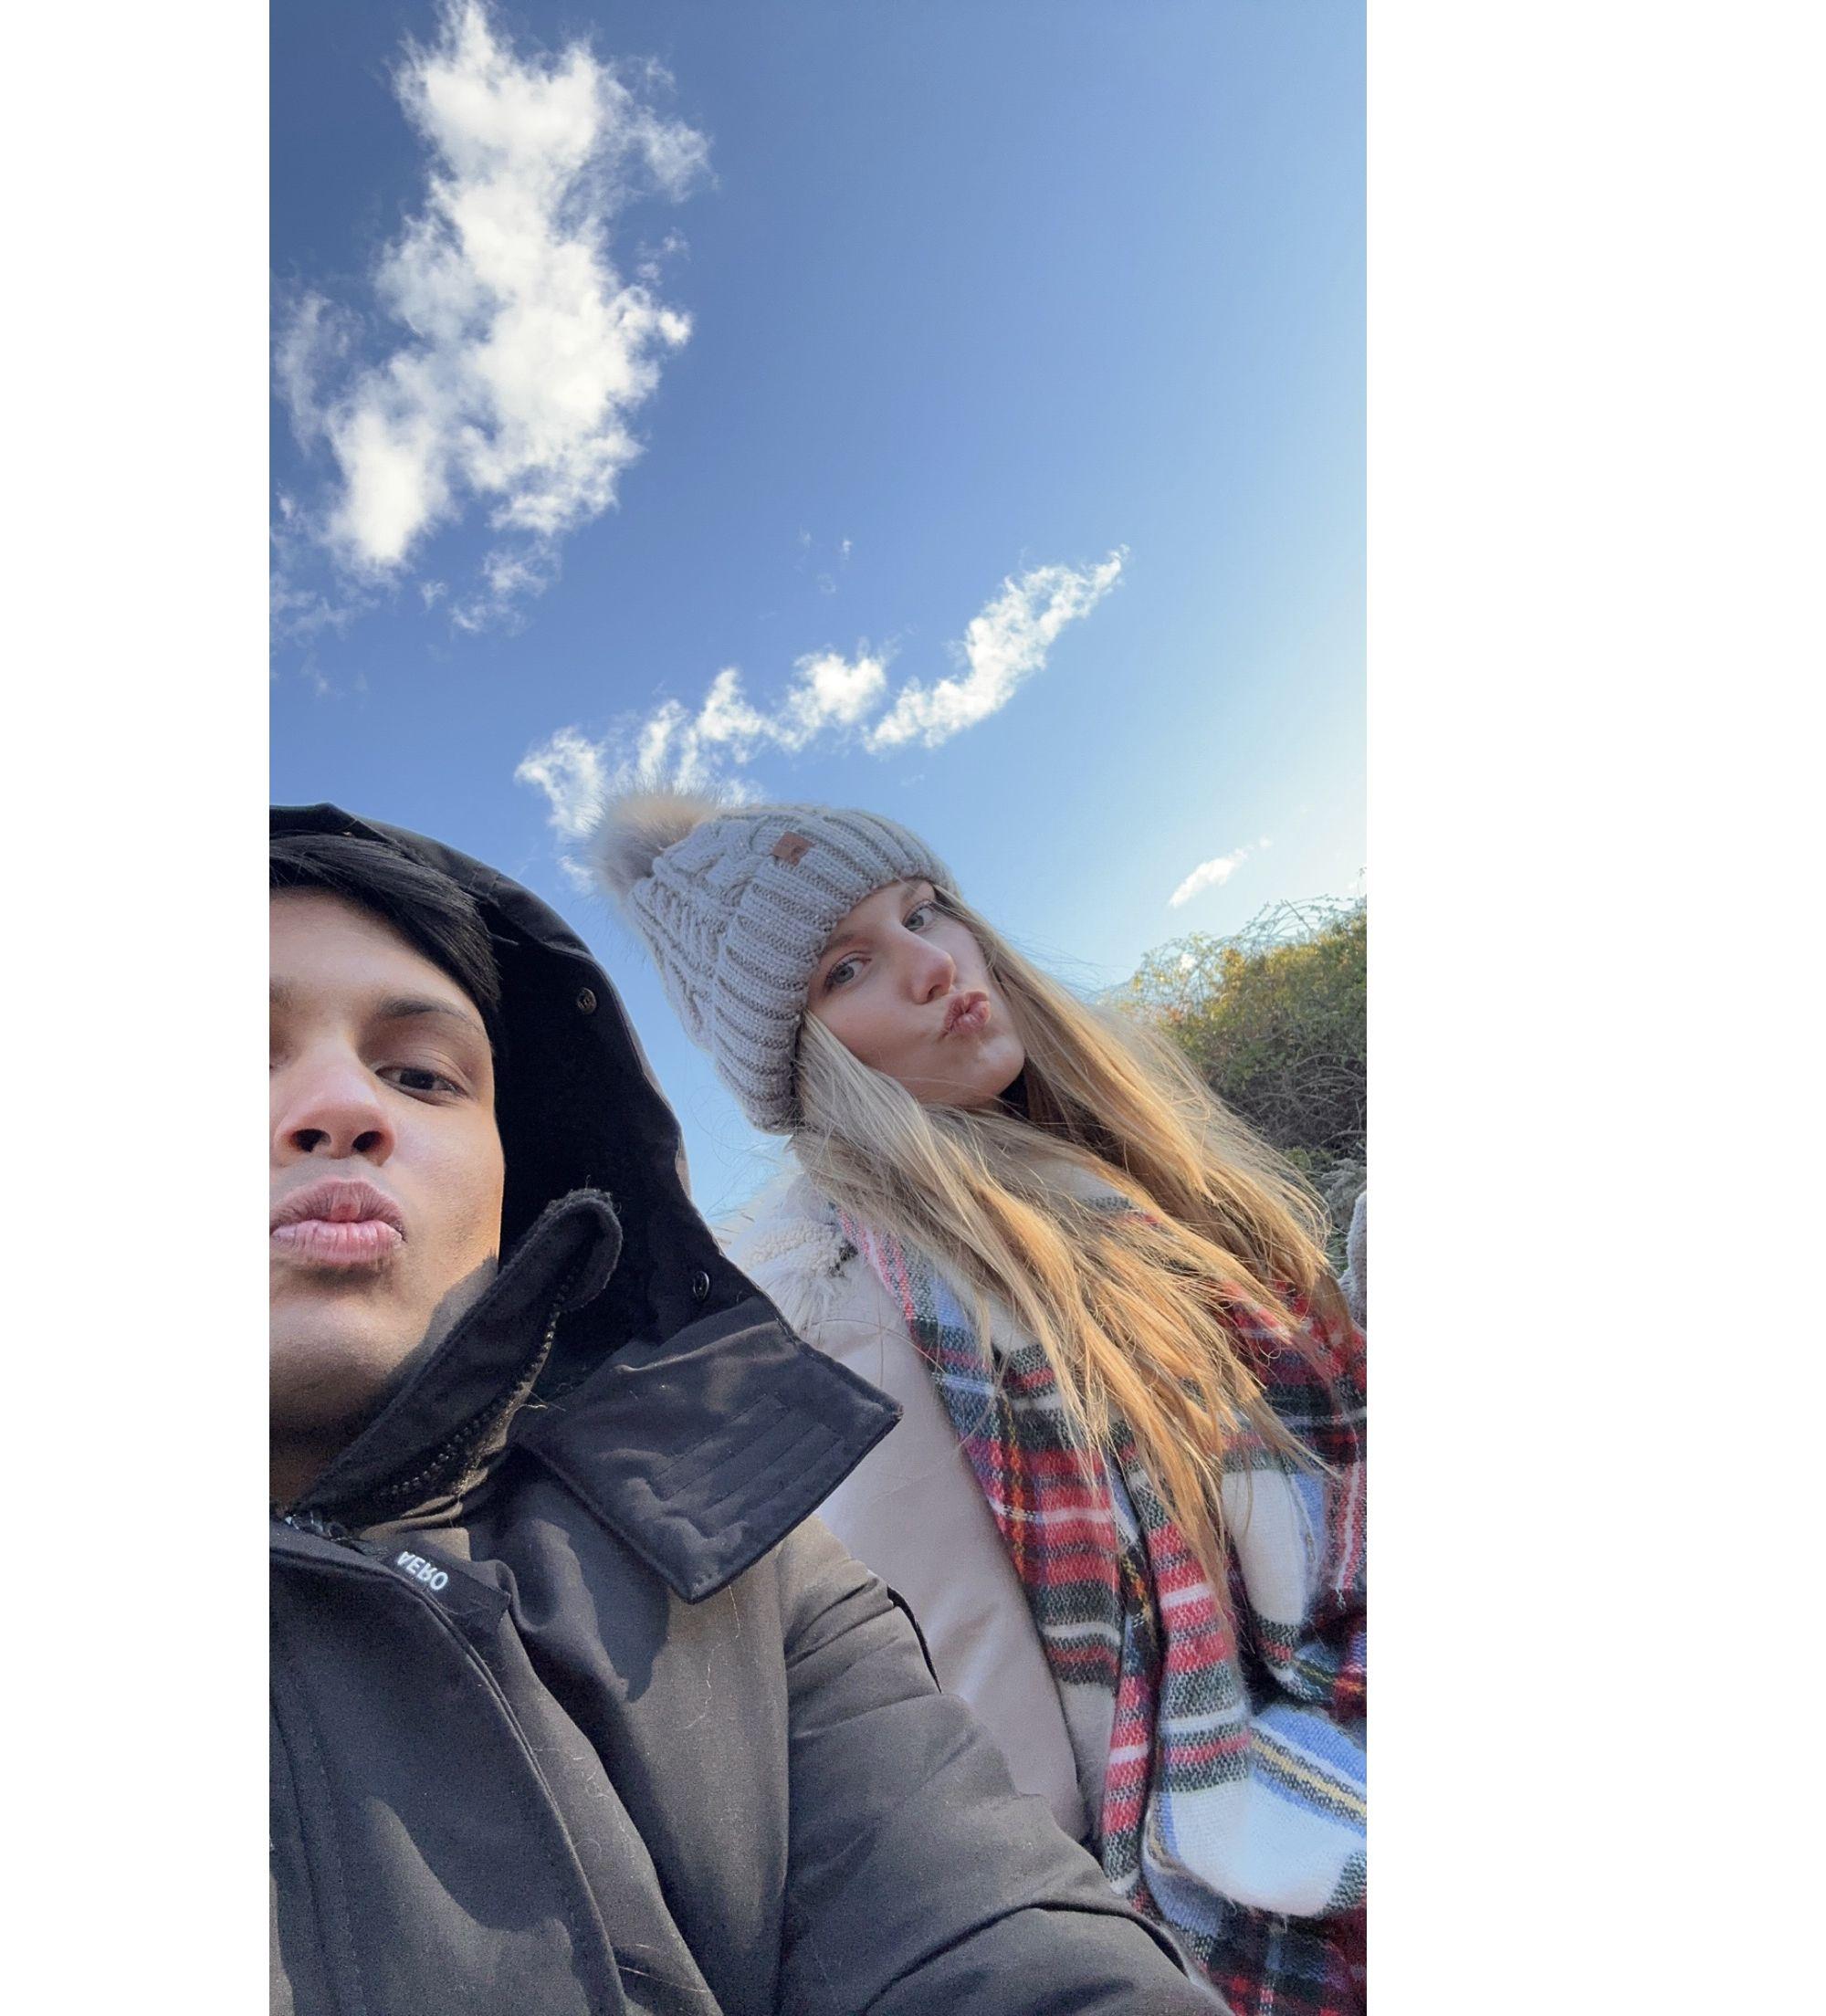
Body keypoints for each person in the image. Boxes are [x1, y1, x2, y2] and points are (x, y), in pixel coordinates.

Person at [268, 803, 1229, 2016]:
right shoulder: (821, 1315)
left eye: (420, 1075)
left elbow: (967, 1894)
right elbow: (1002, 1701)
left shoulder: (725, 1552)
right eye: (845, 968)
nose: (342, 1104)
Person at [592, 792, 1368, 2016]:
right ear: (796, 1058)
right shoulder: (840, 1302)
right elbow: (996, 1731)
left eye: (924, 912)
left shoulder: (1101, 1168)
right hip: (1206, 1878)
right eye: (848, 968)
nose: (932, 966)